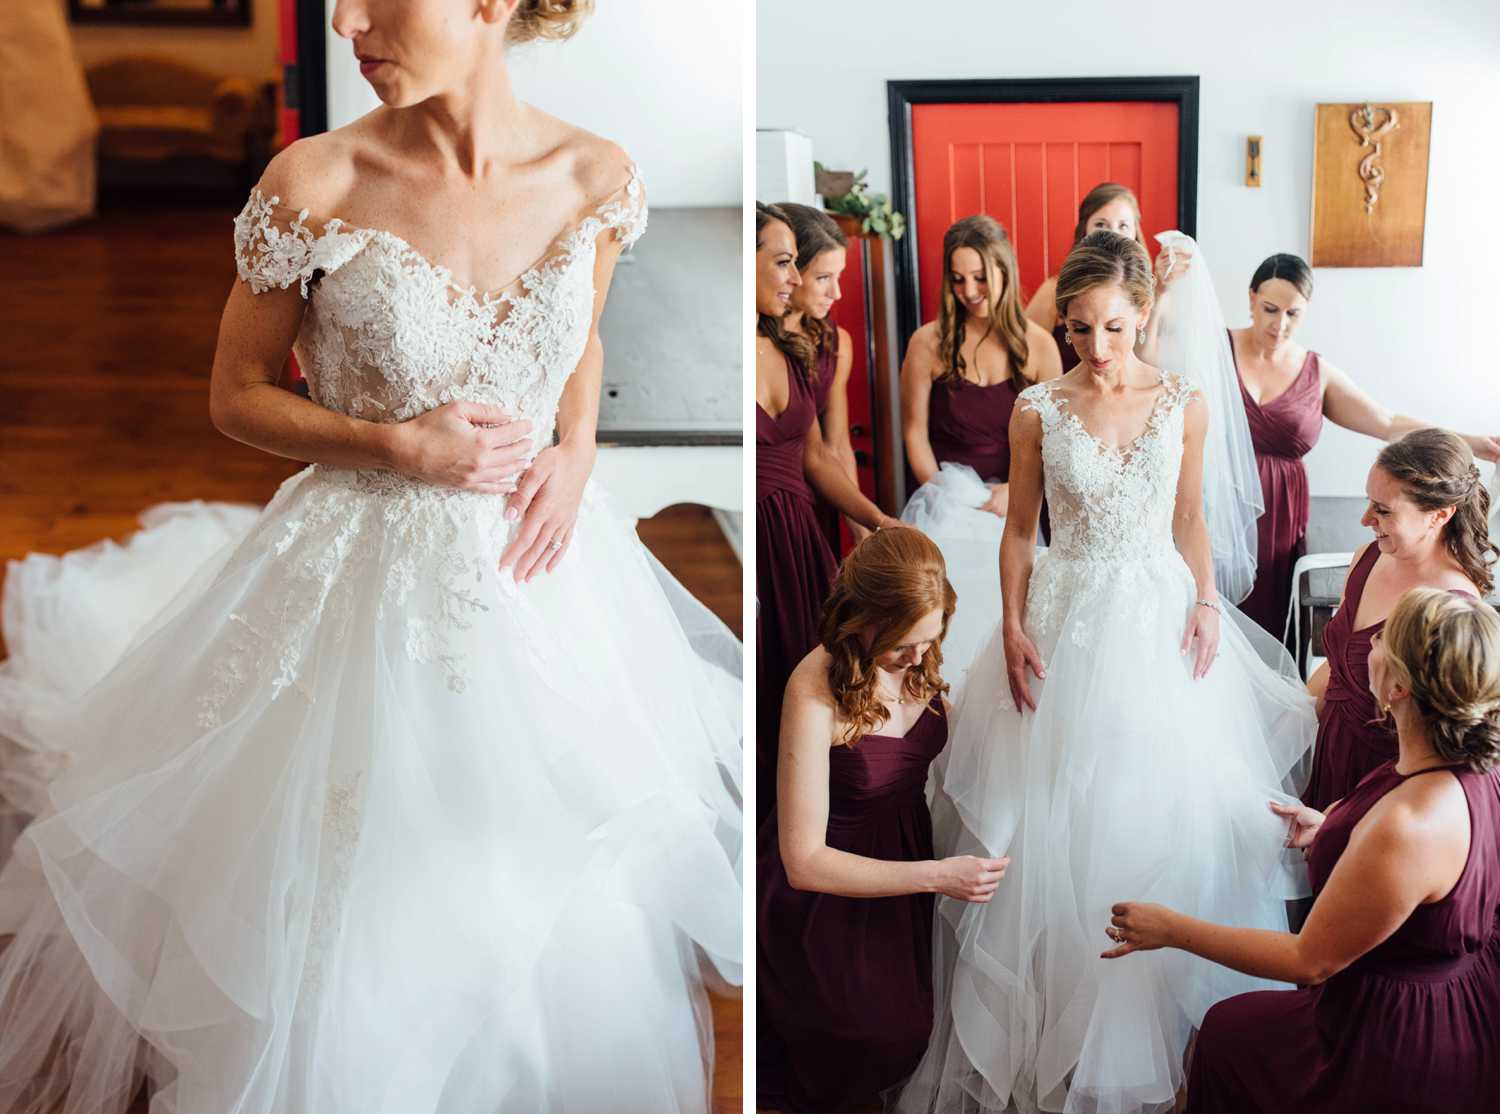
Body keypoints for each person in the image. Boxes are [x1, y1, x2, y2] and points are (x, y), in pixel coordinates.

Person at [0, 3, 741, 1111]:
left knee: (539, 869)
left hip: (543, 577)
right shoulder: (314, 184)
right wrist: (392, 445)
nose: (344, 17)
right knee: (350, 894)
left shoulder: (596, 177)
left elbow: (576, 342)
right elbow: (233, 395)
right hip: (361, 578)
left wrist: (579, 451)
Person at [898, 230, 1316, 1114]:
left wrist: (1206, 599)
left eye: (1117, 329)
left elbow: (1192, 517)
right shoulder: (1037, 409)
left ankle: (1144, 1046)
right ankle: (1054, 1030)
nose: (1099, 349)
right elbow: (1020, 530)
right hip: (1064, 620)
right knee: (1051, 829)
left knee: (1149, 817)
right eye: (1082, 329)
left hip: (1158, 624)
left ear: (1145, 314)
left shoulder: (1187, 403)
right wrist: (1009, 624)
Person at [1105, 588, 1500, 1114]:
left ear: (1399, 687)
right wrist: (1333, 824)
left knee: (1224, 1033)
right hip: (1446, 986)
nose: (1370, 645)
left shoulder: (1410, 825)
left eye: (1382, 639)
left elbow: (1307, 960)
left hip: (1395, 1033)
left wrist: (1173, 930)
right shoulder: (1463, 764)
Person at [758, 526, 1007, 1114]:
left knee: (930, 1023)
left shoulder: (920, 657)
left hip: (907, 857)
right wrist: (940, 876)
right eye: (903, 644)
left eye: (929, 638)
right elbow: (803, 861)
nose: (918, 656)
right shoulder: (813, 691)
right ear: (862, 618)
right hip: (830, 893)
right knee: (882, 1037)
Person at [1222, 253, 1499, 636]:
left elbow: (1388, 423)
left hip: (1280, 515)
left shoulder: (1316, 373)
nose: (1280, 324)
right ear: (1251, 297)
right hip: (1220, 498)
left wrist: (1473, 443)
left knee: (1269, 619)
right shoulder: (1215, 351)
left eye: (1293, 313)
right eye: (1270, 309)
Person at [757, 203, 899, 823]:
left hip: (801, 537)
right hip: (761, 532)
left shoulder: (787, 346)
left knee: (815, 677)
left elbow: (820, 453)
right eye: (786, 265)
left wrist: (876, 522)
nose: (794, 281)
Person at [898, 215, 1059, 694]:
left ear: (1004, 271)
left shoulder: (1038, 347)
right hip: (946, 501)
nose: (969, 290)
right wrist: (943, 495)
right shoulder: (928, 343)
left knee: (1008, 620)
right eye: (958, 277)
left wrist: (1016, 491)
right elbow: (913, 432)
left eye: (980, 277)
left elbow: (1056, 441)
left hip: (1018, 503)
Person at [1302, 429, 1494, 810]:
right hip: (1331, 743)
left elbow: (1441, 746)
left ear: (1439, 515)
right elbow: (1336, 669)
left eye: (1384, 510)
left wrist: (1353, 810)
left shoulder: (1450, 606)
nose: (1364, 519)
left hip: (1384, 782)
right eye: (1369, 502)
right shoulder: (1367, 558)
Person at [777, 202, 866, 545]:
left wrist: (860, 531)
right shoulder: (762, 344)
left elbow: (838, 446)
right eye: (823, 278)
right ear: (790, 272)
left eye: (838, 276)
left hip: (822, 504)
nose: (836, 293)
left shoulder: (836, 343)